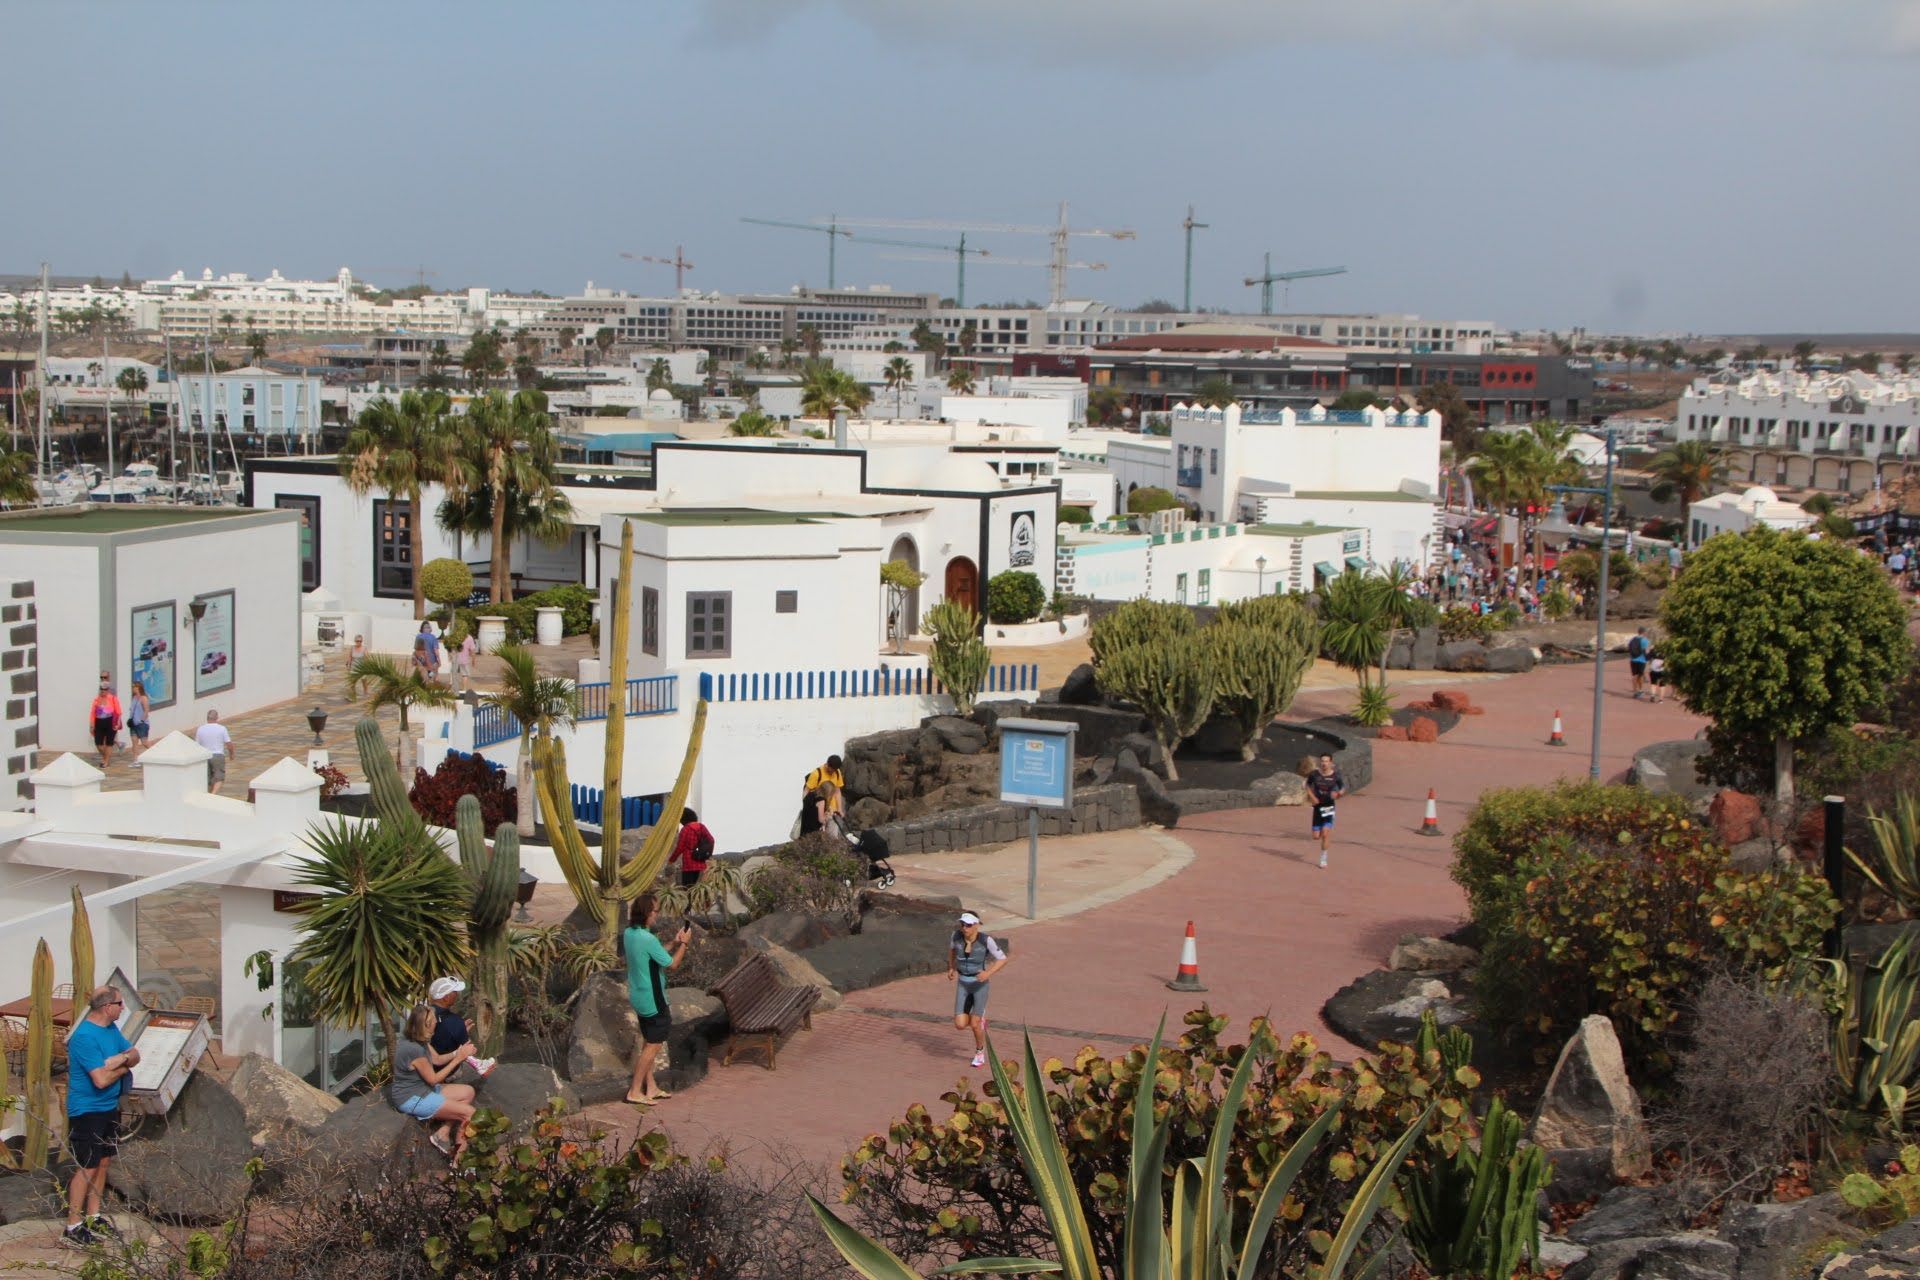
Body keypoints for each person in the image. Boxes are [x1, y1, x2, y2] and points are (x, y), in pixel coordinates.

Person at [63, 987, 139, 1249]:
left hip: (109, 1107)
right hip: (87, 1111)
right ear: (108, 1007)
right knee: (88, 1166)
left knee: (104, 1162)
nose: (123, 1008)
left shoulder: (111, 1030)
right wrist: (125, 1065)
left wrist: (122, 1059)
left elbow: (135, 1053)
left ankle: (93, 1216)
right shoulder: (84, 1037)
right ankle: (73, 1224)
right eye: (120, 1004)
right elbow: (101, 1078)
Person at [623, 892, 691, 1106]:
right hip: (653, 999)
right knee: (653, 1045)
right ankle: (634, 1091)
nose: (657, 915)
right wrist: (684, 945)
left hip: (639, 995)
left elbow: (654, 955)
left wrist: (673, 941)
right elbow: (671, 964)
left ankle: (650, 1087)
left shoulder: (631, 933)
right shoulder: (647, 938)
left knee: (648, 1042)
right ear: (645, 913)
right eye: (655, 911)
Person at [389, 1002, 478, 1157]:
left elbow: (436, 1059)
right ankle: (459, 1161)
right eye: (434, 1023)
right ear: (426, 1025)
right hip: (413, 1098)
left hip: (422, 1089)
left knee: (468, 1092)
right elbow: (434, 1079)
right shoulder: (414, 1049)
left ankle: (443, 1132)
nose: (437, 1025)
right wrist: (459, 1058)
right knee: (470, 1113)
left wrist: (458, 1051)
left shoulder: (417, 1040)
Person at [947, 912, 1008, 1069]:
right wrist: (951, 967)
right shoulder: (956, 937)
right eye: (962, 924)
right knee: (960, 1025)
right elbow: (952, 951)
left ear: (976, 925)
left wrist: (988, 973)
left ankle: (979, 1052)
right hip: (963, 983)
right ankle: (979, 1021)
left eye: (968, 925)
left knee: (974, 1024)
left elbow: (1002, 959)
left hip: (979, 985)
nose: (964, 928)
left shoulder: (986, 940)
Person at [426, 976, 496, 1078]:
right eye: (455, 992)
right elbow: (467, 1050)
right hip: (442, 1072)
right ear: (446, 997)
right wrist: (460, 1030)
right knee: (466, 1050)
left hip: (422, 1066)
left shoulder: (421, 1015)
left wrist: (460, 1030)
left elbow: (438, 1034)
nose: (457, 994)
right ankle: (478, 1065)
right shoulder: (455, 1021)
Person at [1305, 753, 1345, 869]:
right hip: (1317, 807)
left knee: (1325, 833)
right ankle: (1324, 834)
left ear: (1331, 763)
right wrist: (1312, 797)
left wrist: (1337, 794)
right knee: (1316, 836)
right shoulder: (1314, 774)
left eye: (1326, 761)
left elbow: (1343, 788)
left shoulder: (1335, 776)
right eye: (1322, 761)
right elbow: (1307, 785)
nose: (1324, 763)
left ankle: (1323, 857)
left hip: (1329, 807)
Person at [669, 809, 715, 888]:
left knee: (688, 888)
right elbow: (711, 840)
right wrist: (706, 853)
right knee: (697, 889)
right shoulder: (701, 827)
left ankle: (690, 900)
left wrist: (672, 860)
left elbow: (680, 847)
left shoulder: (685, 829)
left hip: (688, 864)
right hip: (700, 862)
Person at [193, 710, 234, 793]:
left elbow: (196, 745)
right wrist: (231, 754)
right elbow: (229, 743)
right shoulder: (222, 728)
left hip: (205, 756)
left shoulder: (200, 729)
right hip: (218, 755)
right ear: (217, 718)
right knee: (219, 777)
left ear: (207, 718)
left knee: (208, 778)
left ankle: (209, 794)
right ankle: (213, 794)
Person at [88, 676, 123, 768]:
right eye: (101, 690)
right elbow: (92, 713)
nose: (103, 691)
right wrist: (92, 725)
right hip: (99, 722)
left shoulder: (112, 699)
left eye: (105, 690)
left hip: (110, 721)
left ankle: (106, 761)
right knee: (98, 743)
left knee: (109, 742)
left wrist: (117, 723)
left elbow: (118, 712)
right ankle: (105, 756)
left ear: (108, 690)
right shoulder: (96, 700)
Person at [1626, 626, 1651, 700]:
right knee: (1640, 675)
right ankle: (1640, 690)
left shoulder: (1633, 639)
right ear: (1644, 632)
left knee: (1634, 676)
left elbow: (1629, 648)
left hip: (1633, 660)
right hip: (1641, 660)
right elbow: (1647, 651)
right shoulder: (1645, 640)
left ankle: (1634, 691)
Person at [126, 682, 151, 754]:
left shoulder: (143, 698)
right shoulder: (134, 698)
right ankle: (136, 760)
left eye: (134, 687)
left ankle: (156, 752)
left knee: (144, 742)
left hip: (141, 724)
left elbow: (146, 711)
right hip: (133, 724)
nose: (132, 688)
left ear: (138, 688)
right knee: (134, 742)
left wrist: (142, 720)